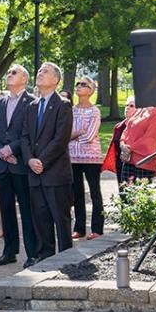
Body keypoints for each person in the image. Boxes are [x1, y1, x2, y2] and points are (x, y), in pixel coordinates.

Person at [0, 64, 38, 267]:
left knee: (27, 209)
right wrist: (2, 152)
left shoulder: (32, 102)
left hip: (21, 164)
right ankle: (10, 251)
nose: (9, 75)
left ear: (24, 78)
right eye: (8, 73)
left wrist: (12, 150)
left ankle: (33, 253)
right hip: (3, 165)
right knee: (5, 209)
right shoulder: (0, 103)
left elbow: (30, 133)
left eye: (14, 72)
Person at [21, 62, 74, 262]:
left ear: (56, 80)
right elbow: (25, 136)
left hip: (55, 172)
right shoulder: (31, 106)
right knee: (40, 218)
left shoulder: (63, 105)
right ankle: (45, 258)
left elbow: (60, 139)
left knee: (60, 218)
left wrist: (42, 160)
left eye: (45, 71)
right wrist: (30, 160)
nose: (40, 73)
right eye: (39, 70)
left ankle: (67, 259)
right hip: (35, 173)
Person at [68, 76, 103, 240]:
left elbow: (89, 135)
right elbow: (65, 134)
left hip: (91, 157)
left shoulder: (95, 111)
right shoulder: (71, 110)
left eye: (84, 84)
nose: (79, 87)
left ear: (90, 91)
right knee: (77, 193)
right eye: (78, 84)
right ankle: (79, 228)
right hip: (73, 157)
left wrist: (74, 136)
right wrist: (76, 134)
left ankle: (97, 228)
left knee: (95, 192)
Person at [118, 105, 156, 184]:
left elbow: (149, 137)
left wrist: (130, 148)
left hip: (144, 161)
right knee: (125, 192)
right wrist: (122, 144)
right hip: (129, 159)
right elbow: (127, 129)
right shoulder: (140, 109)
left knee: (142, 194)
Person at [102, 96, 139, 187]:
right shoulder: (118, 126)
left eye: (131, 106)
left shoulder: (140, 126)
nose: (127, 108)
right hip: (120, 163)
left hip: (136, 164)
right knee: (122, 191)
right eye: (126, 105)